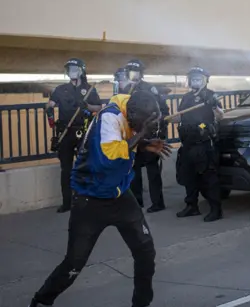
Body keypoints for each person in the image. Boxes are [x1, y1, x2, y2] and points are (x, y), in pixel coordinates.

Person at [28, 91, 173, 307]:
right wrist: (141, 134)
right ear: (131, 115)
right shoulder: (109, 117)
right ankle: (41, 300)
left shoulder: (130, 111)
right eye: (142, 123)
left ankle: (141, 303)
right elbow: (110, 157)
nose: (143, 127)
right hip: (90, 199)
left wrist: (143, 143)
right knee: (74, 263)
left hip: (120, 194)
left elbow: (124, 139)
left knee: (145, 252)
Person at [46, 58, 102, 213]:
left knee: (86, 166)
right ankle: (67, 202)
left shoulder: (89, 89)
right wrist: (49, 109)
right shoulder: (60, 89)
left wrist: (88, 106)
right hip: (65, 133)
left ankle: (88, 200)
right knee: (66, 169)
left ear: (81, 70)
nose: (72, 71)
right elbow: (51, 103)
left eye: (74, 68)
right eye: (69, 69)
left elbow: (98, 106)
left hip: (83, 132)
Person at [169, 66, 224, 222]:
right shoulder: (186, 97)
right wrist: (165, 119)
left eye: (198, 78)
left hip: (204, 143)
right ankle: (192, 206)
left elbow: (220, 116)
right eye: (193, 78)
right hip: (188, 142)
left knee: (209, 177)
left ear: (205, 80)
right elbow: (180, 117)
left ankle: (216, 209)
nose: (195, 81)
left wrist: (214, 106)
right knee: (188, 176)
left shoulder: (211, 95)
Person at [124, 59, 169, 213]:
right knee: (133, 169)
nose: (133, 75)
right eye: (130, 71)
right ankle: (137, 202)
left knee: (152, 170)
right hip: (134, 136)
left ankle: (158, 202)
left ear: (141, 74)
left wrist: (159, 131)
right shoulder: (124, 89)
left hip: (149, 134)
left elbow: (163, 111)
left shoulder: (150, 89)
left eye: (136, 71)